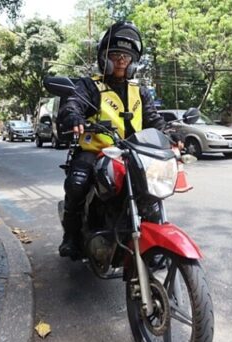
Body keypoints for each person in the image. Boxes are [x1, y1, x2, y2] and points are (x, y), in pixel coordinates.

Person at [56, 21, 170, 258]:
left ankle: (153, 238)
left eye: (126, 56)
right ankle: (71, 236)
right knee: (77, 184)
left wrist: (170, 135)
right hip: (96, 151)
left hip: (134, 152)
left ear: (133, 62)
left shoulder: (140, 90)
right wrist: (74, 116)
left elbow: (153, 119)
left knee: (152, 191)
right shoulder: (90, 85)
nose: (121, 60)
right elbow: (73, 104)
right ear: (104, 57)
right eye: (116, 54)